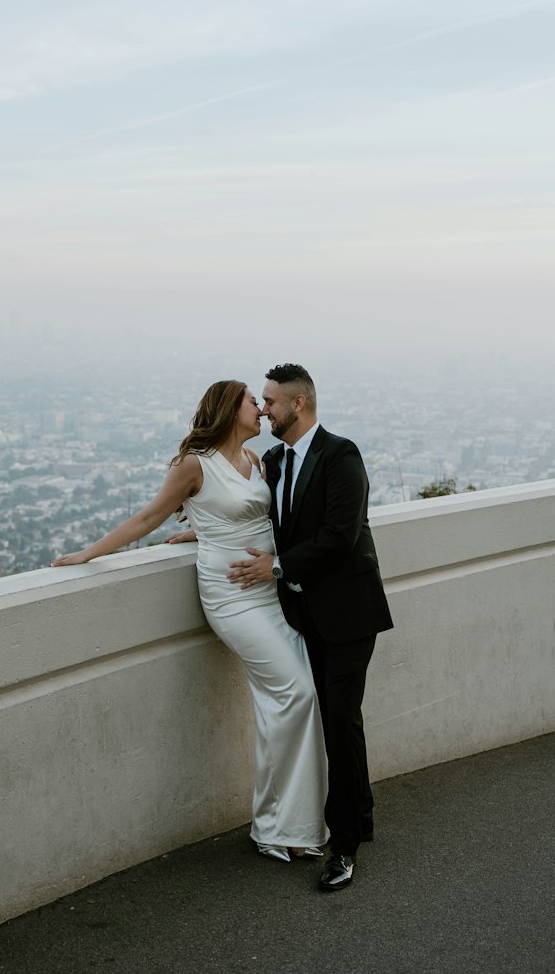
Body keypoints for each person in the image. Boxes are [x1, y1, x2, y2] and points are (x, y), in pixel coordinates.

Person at [51, 379, 327, 861]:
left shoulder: (258, 462)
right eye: (251, 403)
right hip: (232, 600)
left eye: (264, 404)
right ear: (228, 408)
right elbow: (147, 519)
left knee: (298, 696)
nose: (261, 412)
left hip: (269, 592)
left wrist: (202, 532)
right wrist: (88, 555)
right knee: (295, 692)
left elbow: (256, 522)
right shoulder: (193, 465)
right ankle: (272, 826)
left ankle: (294, 826)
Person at [229, 364, 393, 893]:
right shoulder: (274, 461)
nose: (264, 409)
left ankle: (343, 847)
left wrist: (276, 568)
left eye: (271, 401)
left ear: (298, 405)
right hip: (302, 616)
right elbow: (262, 522)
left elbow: (339, 538)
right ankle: (359, 817)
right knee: (339, 722)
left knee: (339, 722)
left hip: (348, 615)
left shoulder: (342, 455)